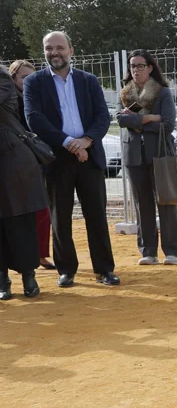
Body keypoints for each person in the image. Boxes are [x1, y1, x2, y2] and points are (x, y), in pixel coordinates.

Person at [23, 31, 120, 287]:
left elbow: (102, 116)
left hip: (89, 156)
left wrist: (86, 141)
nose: (54, 53)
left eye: (59, 48)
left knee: (97, 215)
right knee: (60, 217)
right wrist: (69, 143)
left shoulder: (88, 80)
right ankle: (66, 270)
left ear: (71, 50)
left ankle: (104, 270)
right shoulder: (34, 82)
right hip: (57, 158)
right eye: (48, 48)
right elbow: (35, 119)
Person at [117, 50, 177, 265]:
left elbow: (169, 124)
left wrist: (136, 120)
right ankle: (148, 252)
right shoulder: (125, 93)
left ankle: (172, 252)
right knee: (141, 204)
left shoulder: (162, 93)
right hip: (133, 156)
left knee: (166, 202)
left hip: (160, 154)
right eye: (132, 66)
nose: (135, 70)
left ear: (150, 67)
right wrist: (150, 118)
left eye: (140, 66)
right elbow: (121, 121)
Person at [0, 68, 44, 299]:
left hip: (11, 159)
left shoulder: (2, 77)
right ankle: (2, 280)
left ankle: (28, 274)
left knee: (21, 220)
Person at [8, 59, 54, 271]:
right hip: (12, 163)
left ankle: (41, 255)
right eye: (24, 78)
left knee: (42, 210)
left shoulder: (38, 99)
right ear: (13, 78)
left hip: (36, 160)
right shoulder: (9, 102)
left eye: (31, 77)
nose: (28, 82)